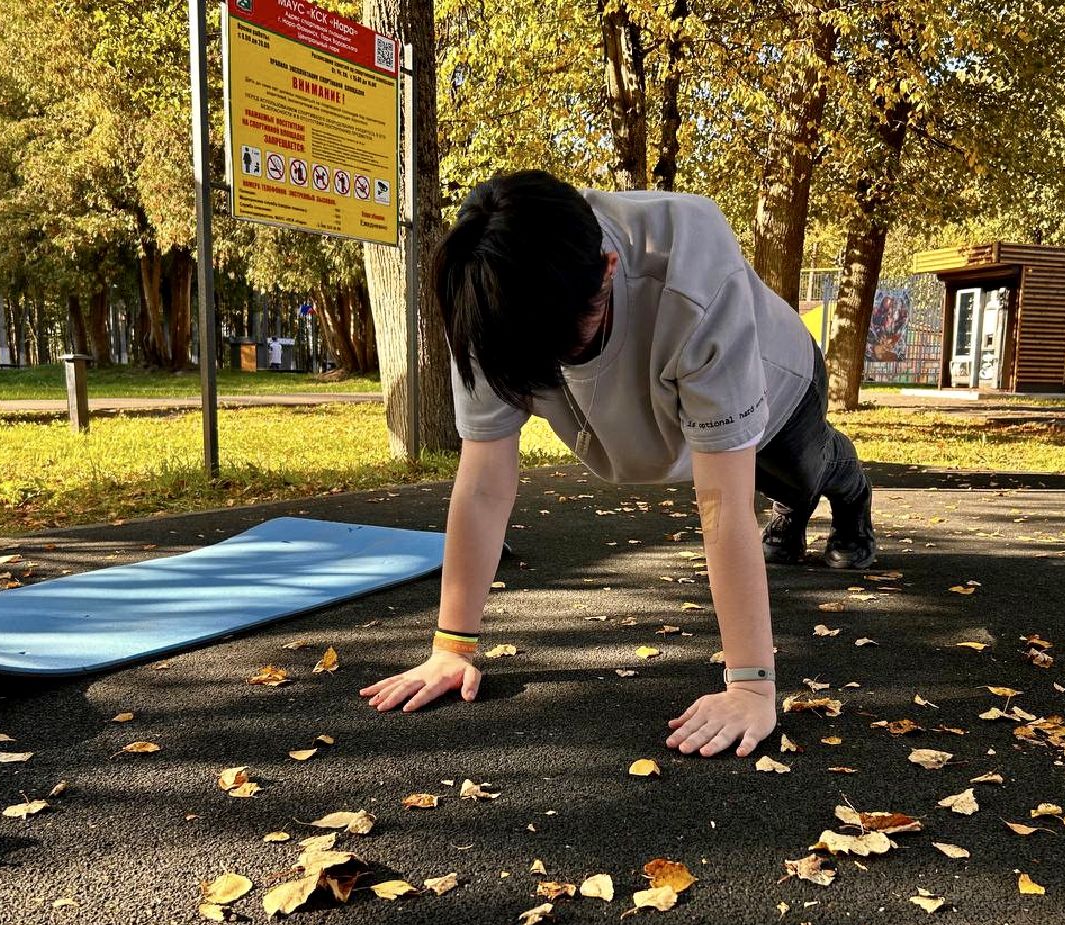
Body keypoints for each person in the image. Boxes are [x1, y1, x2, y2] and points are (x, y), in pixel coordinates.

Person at [360, 170, 873, 758]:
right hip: (661, 416)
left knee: (799, 474)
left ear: (607, 270)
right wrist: (452, 647)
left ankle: (848, 488)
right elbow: (482, 485)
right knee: (753, 479)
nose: (549, 371)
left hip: (779, 383)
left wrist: (753, 687)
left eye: (564, 349)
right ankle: (791, 502)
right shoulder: (487, 300)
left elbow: (721, 504)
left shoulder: (695, 273)